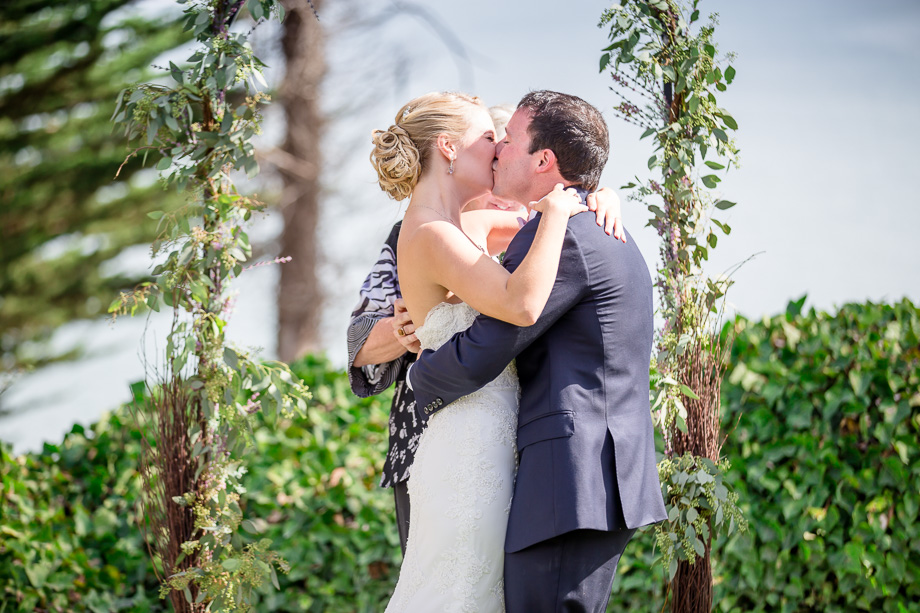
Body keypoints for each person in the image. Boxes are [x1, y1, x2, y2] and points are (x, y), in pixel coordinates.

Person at [408, 90, 668, 612]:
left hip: (570, 481)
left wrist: (420, 374)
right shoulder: (597, 227)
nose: (500, 149)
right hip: (588, 479)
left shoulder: (561, 238)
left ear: (544, 160)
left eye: (509, 139)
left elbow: (487, 346)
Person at [347, 103, 623, 559]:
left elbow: (563, 206)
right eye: (492, 142)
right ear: (451, 149)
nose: (498, 154)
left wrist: (599, 196)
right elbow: (357, 341)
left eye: (505, 144)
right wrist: (413, 327)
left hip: (511, 427)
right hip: (435, 426)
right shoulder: (420, 230)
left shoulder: (493, 221)